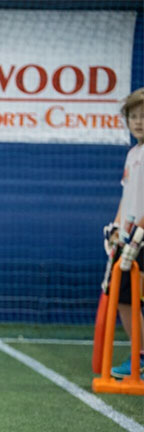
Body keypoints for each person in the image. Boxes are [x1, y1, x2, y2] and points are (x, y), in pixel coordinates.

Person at [107, 87, 144, 378]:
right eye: (134, 116)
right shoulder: (133, 154)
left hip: (142, 239)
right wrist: (117, 227)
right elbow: (127, 196)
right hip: (129, 238)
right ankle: (138, 355)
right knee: (122, 299)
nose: (139, 122)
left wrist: (139, 233)